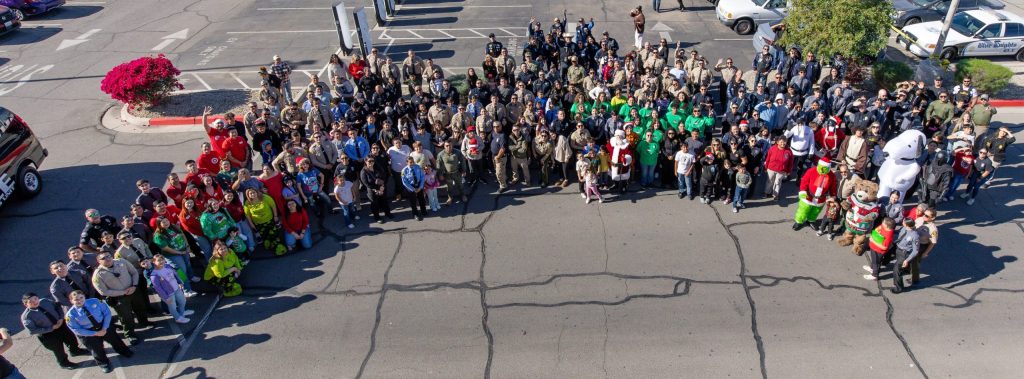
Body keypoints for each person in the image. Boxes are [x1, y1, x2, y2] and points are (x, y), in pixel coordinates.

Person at [65, 290, 134, 373]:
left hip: (103, 325)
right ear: (71, 301)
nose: (79, 301)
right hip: (88, 332)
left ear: (84, 297)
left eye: (81, 298)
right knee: (96, 349)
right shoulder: (70, 315)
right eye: (76, 299)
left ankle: (124, 351)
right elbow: (76, 329)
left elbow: (107, 313)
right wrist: (95, 333)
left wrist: (104, 328)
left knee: (115, 340)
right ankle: (103, 363)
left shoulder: (95, 301)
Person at [20, 293, 89, 370]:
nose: (35, 302)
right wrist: (51, 328)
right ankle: (64, 363)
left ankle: (75, 351)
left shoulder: (45, 301)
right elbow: (33, 330)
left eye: (35, 298)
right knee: (58, 349)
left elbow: (58, 307)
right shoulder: (26, 316)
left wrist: (61, 318)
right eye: (30, 301)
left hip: (60, 324)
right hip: (48, 334)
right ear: (25, 304)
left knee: (71, 339)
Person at [91, 252, 147, 345]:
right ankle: (130, 335)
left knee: (140, 308)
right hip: (119, 298)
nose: (108, 259)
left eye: (109, 256)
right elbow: (103, 291)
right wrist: (123, 292)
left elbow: (134, 272)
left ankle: (144, 322)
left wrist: (134, 285)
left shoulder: (122, 262)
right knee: (126, 317)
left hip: (133, 291)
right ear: (98, 261)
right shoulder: (98, 274)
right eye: (104, 258)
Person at [151, 217, 199, 295]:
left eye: (167, 220)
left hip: (184, 250)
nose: (166, 223)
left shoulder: (173, 226)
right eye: (163, 222)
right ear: (159, 224)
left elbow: (182, 235)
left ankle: (191, 277)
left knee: (188, 265)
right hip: (173, 255)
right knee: (181, 272)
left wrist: (187, 246)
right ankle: (187, 290)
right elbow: (166, 248)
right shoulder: (158, 236)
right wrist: (179, 253)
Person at [149, 255, 195, 324]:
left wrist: (180, 282)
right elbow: (158, 288)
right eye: (159, 260)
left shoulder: (167, 266)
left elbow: (175, 274)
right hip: (168, 293)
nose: (161, 261)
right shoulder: (154, 275)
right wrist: (166, 297)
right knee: (172, 307)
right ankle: (177, 318)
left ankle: (181, 313)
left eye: (162, 259)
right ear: (154, 262)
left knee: (182, 301)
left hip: (176, 288)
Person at [243, 188, 288, 255]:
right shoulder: (247, 203)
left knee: (274, 235)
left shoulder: (265, 197)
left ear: (257, 192)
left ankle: (279, 248)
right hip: (258, 224)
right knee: (265, 236)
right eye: (250, 193)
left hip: (269, 220)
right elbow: (247, 215)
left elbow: (273, 206)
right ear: (248, 195)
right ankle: (269, 243)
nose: (253, 194)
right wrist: (251, 224)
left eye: (254, 192)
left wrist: (275, 216)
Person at [890, 218, 920, 293]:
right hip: (898, 249)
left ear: (906, 224)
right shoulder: (903, 229)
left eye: (903, 221)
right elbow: (899, 235)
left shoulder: (915, 236)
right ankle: (906, 270)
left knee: (896, 269)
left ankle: (898, 287)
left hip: (904, 253)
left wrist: (907, 260)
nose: (902, 222)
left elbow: (915, 251)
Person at [436, 140, 468, 204]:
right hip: (447, 174)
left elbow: (463, 161)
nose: (448, 147)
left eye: (450, 145)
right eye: (446, 146)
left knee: (460, 185)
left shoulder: (457, 152)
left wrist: (464, 171)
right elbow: (438, 165)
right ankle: (450, 197)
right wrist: (440, 174)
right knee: (449, 187)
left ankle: (463, 195)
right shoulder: (440, 154)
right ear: (444, 146)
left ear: (452, 145)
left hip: (457, 173)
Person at [401, 156, 428, 221]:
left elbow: (422, 177)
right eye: (410, 162)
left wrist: (420, 187)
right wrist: (413, 189)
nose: (412, 163)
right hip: (410, 186)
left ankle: (423, 211)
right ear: (407, 163)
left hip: (419, 185)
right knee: (413, 201)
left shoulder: (418, 167)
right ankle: (415, 213)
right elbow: (404, 182)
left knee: (421, 199)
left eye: (413, 162)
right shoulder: (404, 170)